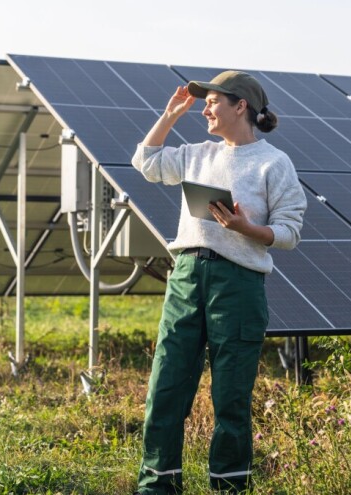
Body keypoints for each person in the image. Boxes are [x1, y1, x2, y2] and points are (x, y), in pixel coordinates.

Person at [131, 71, 307, 494]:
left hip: (238, 283)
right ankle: (157, 485)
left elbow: (289, 232)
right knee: (166, 385)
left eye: (212, 102)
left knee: (230, 396)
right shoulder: (196, 154)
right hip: (187, 277)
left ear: (240, 106)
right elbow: (146, 162)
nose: (205, 109)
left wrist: (248, 228)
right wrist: (169, 116)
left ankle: (228, 487)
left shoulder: (273, 163)